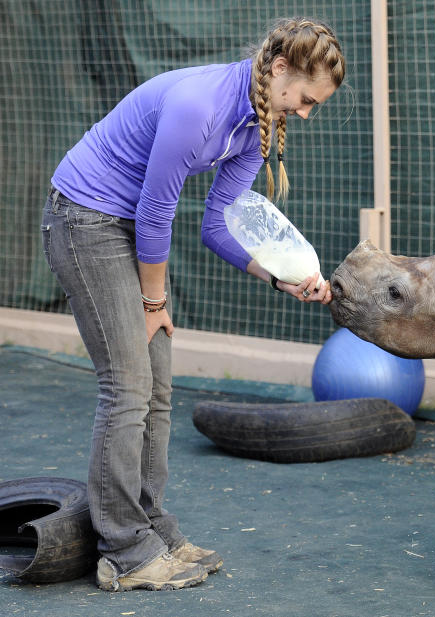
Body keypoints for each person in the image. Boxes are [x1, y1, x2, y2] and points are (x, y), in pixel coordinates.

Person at [41, 17, 344, 591]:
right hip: (84, 219)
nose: (305, 113)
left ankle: (150, 527)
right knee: (127, 387)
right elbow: (157, 211)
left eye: (315, 106)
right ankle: (124, 552)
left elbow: (219, 225)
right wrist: (154, 299)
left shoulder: (257, 122)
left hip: (126, 229)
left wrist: (280, 277)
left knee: (157, 389)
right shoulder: (197, 105)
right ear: (280, 69)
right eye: (305, 99)